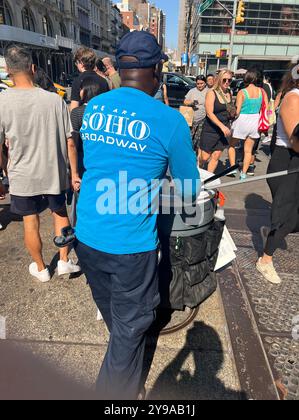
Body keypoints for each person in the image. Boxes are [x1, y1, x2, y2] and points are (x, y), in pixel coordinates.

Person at [74, 31, 200, 400]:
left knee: (119, 322)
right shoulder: (169, 120)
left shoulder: (95, 107)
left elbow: (96, 163)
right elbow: (190, 190)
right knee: (130, 329)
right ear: (157, 70)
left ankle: (129, 377)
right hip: (130, 245)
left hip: (87, 235)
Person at [0, 45, 81, 282]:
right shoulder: (54, 101)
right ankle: (65, 260)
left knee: (30, 220)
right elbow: (70, 142)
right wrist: (73, 172)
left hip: (22, 174)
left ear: (8, 71)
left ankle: (41, 267)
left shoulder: (2, 102)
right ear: (33, 69)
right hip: (53, 170)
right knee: (59, 213)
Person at [257, 61, 299, 284]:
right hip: (287, 161)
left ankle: (271, 233)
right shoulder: (293, 97)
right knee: (286, 214)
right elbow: (296, 143)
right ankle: (265, 260)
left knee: (295, 218)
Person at [69, 77, 107, 226]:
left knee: (82, 196)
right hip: (101, 159)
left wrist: (73, 172)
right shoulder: (106, 113)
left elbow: (73, 142)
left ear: (84, 91)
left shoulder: (77, 112)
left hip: (82, 158)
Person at [230, 69, 268, 180]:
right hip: (255, 120)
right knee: (248, 150)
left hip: (242, 120)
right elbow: (265, 107)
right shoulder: (262, 91)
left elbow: (237, 111)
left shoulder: (242, 92)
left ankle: (232, 168)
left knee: (232, 145)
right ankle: (243, 173)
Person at [199, 69, 233, 173]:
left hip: (224, 130)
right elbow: (209, 113)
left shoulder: (229, 93)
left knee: (216, 156)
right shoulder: (211, 93)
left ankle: (208, 180)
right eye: (224, 80)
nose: (227, 82)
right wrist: (221, 126)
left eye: (230, 80)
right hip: (211, 129)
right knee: (204, 157)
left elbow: (228, 110)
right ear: (219, 80)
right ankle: (198, 168)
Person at [184, 75, 208, 154]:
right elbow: (185, 101)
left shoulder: (209, 91)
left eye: (201, 83)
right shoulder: (192, 91)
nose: (200, 85)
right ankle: (187, 152)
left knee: (199, 138)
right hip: (191, 118)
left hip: (204, 118)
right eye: (198, 84)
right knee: (190, 137)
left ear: (205, 83)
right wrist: (191, 102)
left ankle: (197, 154)